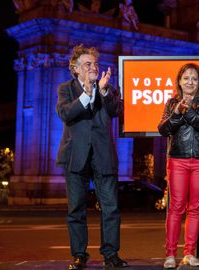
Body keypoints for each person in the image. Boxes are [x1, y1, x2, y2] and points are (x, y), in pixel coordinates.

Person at [56, 44, 127, 270]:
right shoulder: (66, 89)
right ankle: (79, 255)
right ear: (75, 69)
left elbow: (117, 111)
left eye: (95, 64)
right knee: (75, 209)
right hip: (75, 156)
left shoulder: (108, 88)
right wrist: (87, 94)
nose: (93, 67)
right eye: (87, 64)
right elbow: (66, 113)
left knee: (110, 208)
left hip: (103, 156)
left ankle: (111, 254)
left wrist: (104, 92)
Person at [158, 63, 199, 269]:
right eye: (186, 78)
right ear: (180, 81)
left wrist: (189, 112)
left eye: (194, 78)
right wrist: (176, 112)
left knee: (195, 207)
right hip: (177, 159)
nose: (190, 82)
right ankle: (170, 255)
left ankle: (189, 253)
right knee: (175, 207)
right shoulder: (171, 102)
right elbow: (163, 129)